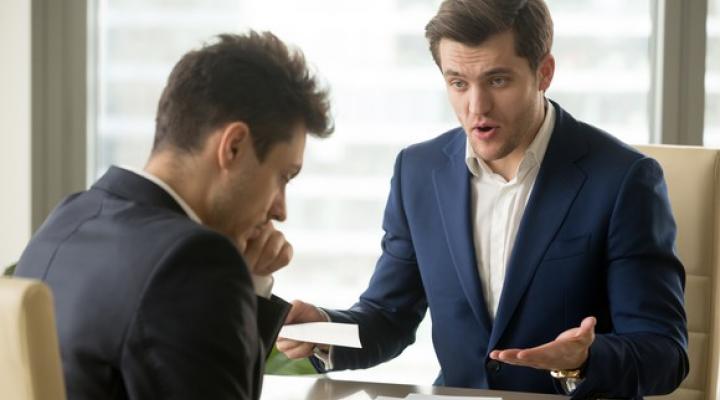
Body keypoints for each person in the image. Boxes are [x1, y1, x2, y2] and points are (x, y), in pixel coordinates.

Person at [277, 0, 688, 398]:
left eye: (497, 80)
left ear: (544, 72)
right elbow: (389, 317)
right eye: (458, 82)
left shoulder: (623, 180)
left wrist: (584, 360)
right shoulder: (417, 172)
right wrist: (323, 328)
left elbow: (665, 352)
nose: (477, 107)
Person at [16, 31, 333, 400]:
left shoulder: (68, 218)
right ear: (233, 146)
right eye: (283, 176)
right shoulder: (192, 263)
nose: (280, 208)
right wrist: (247, 289)